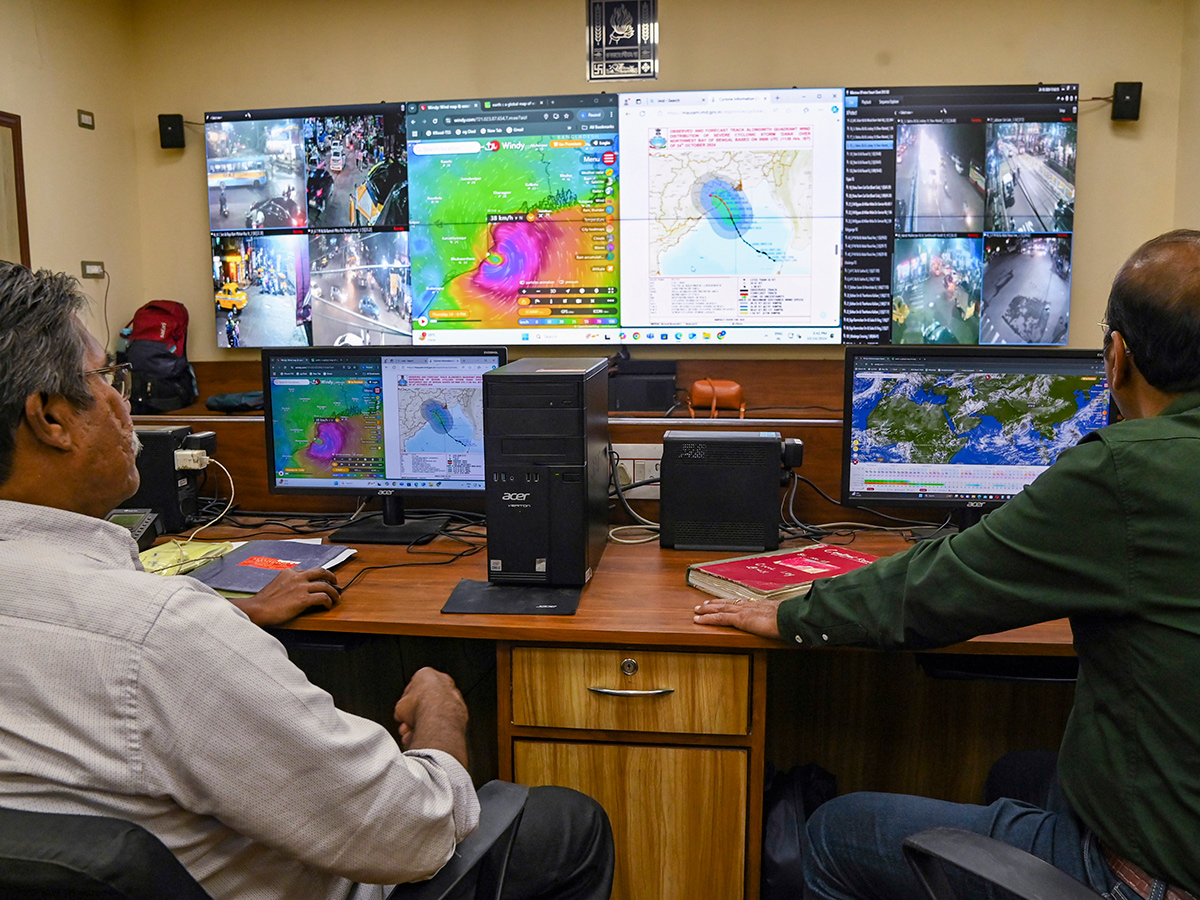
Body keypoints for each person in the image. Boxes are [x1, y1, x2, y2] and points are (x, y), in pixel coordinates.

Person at [0, 261, 614, 900]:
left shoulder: (161, 634)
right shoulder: (164, 639)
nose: (125, 402)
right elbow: (411, 835)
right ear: (50, 418)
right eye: (108, 377)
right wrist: (443, 721)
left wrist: (230, 620)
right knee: (567, 824)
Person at [695, 230, 1200, 900]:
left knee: (832, 834)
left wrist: (793, 613)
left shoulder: (1130, 471)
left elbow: (941, 587)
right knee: (1018, 771)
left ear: (1116, 357)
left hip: (1149, 877)